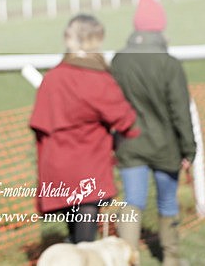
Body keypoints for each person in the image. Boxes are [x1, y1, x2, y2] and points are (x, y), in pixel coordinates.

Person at [30, 14, 139, 243]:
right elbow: (124, 119)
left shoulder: (53, 78)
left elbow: (39, 125)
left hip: (57, 164)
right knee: (85, 237)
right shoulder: (95, 77)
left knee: (73, 229)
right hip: (88, 163)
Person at [112, 0, 196, 266]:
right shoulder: (169, 64)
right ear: (160, 26)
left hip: (129, 144)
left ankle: (127, 258)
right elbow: (180, 111)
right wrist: (189, 149)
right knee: (167, 203)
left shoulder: (119, 61)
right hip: (166, 147)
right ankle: (171, 259)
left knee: (132, 201)